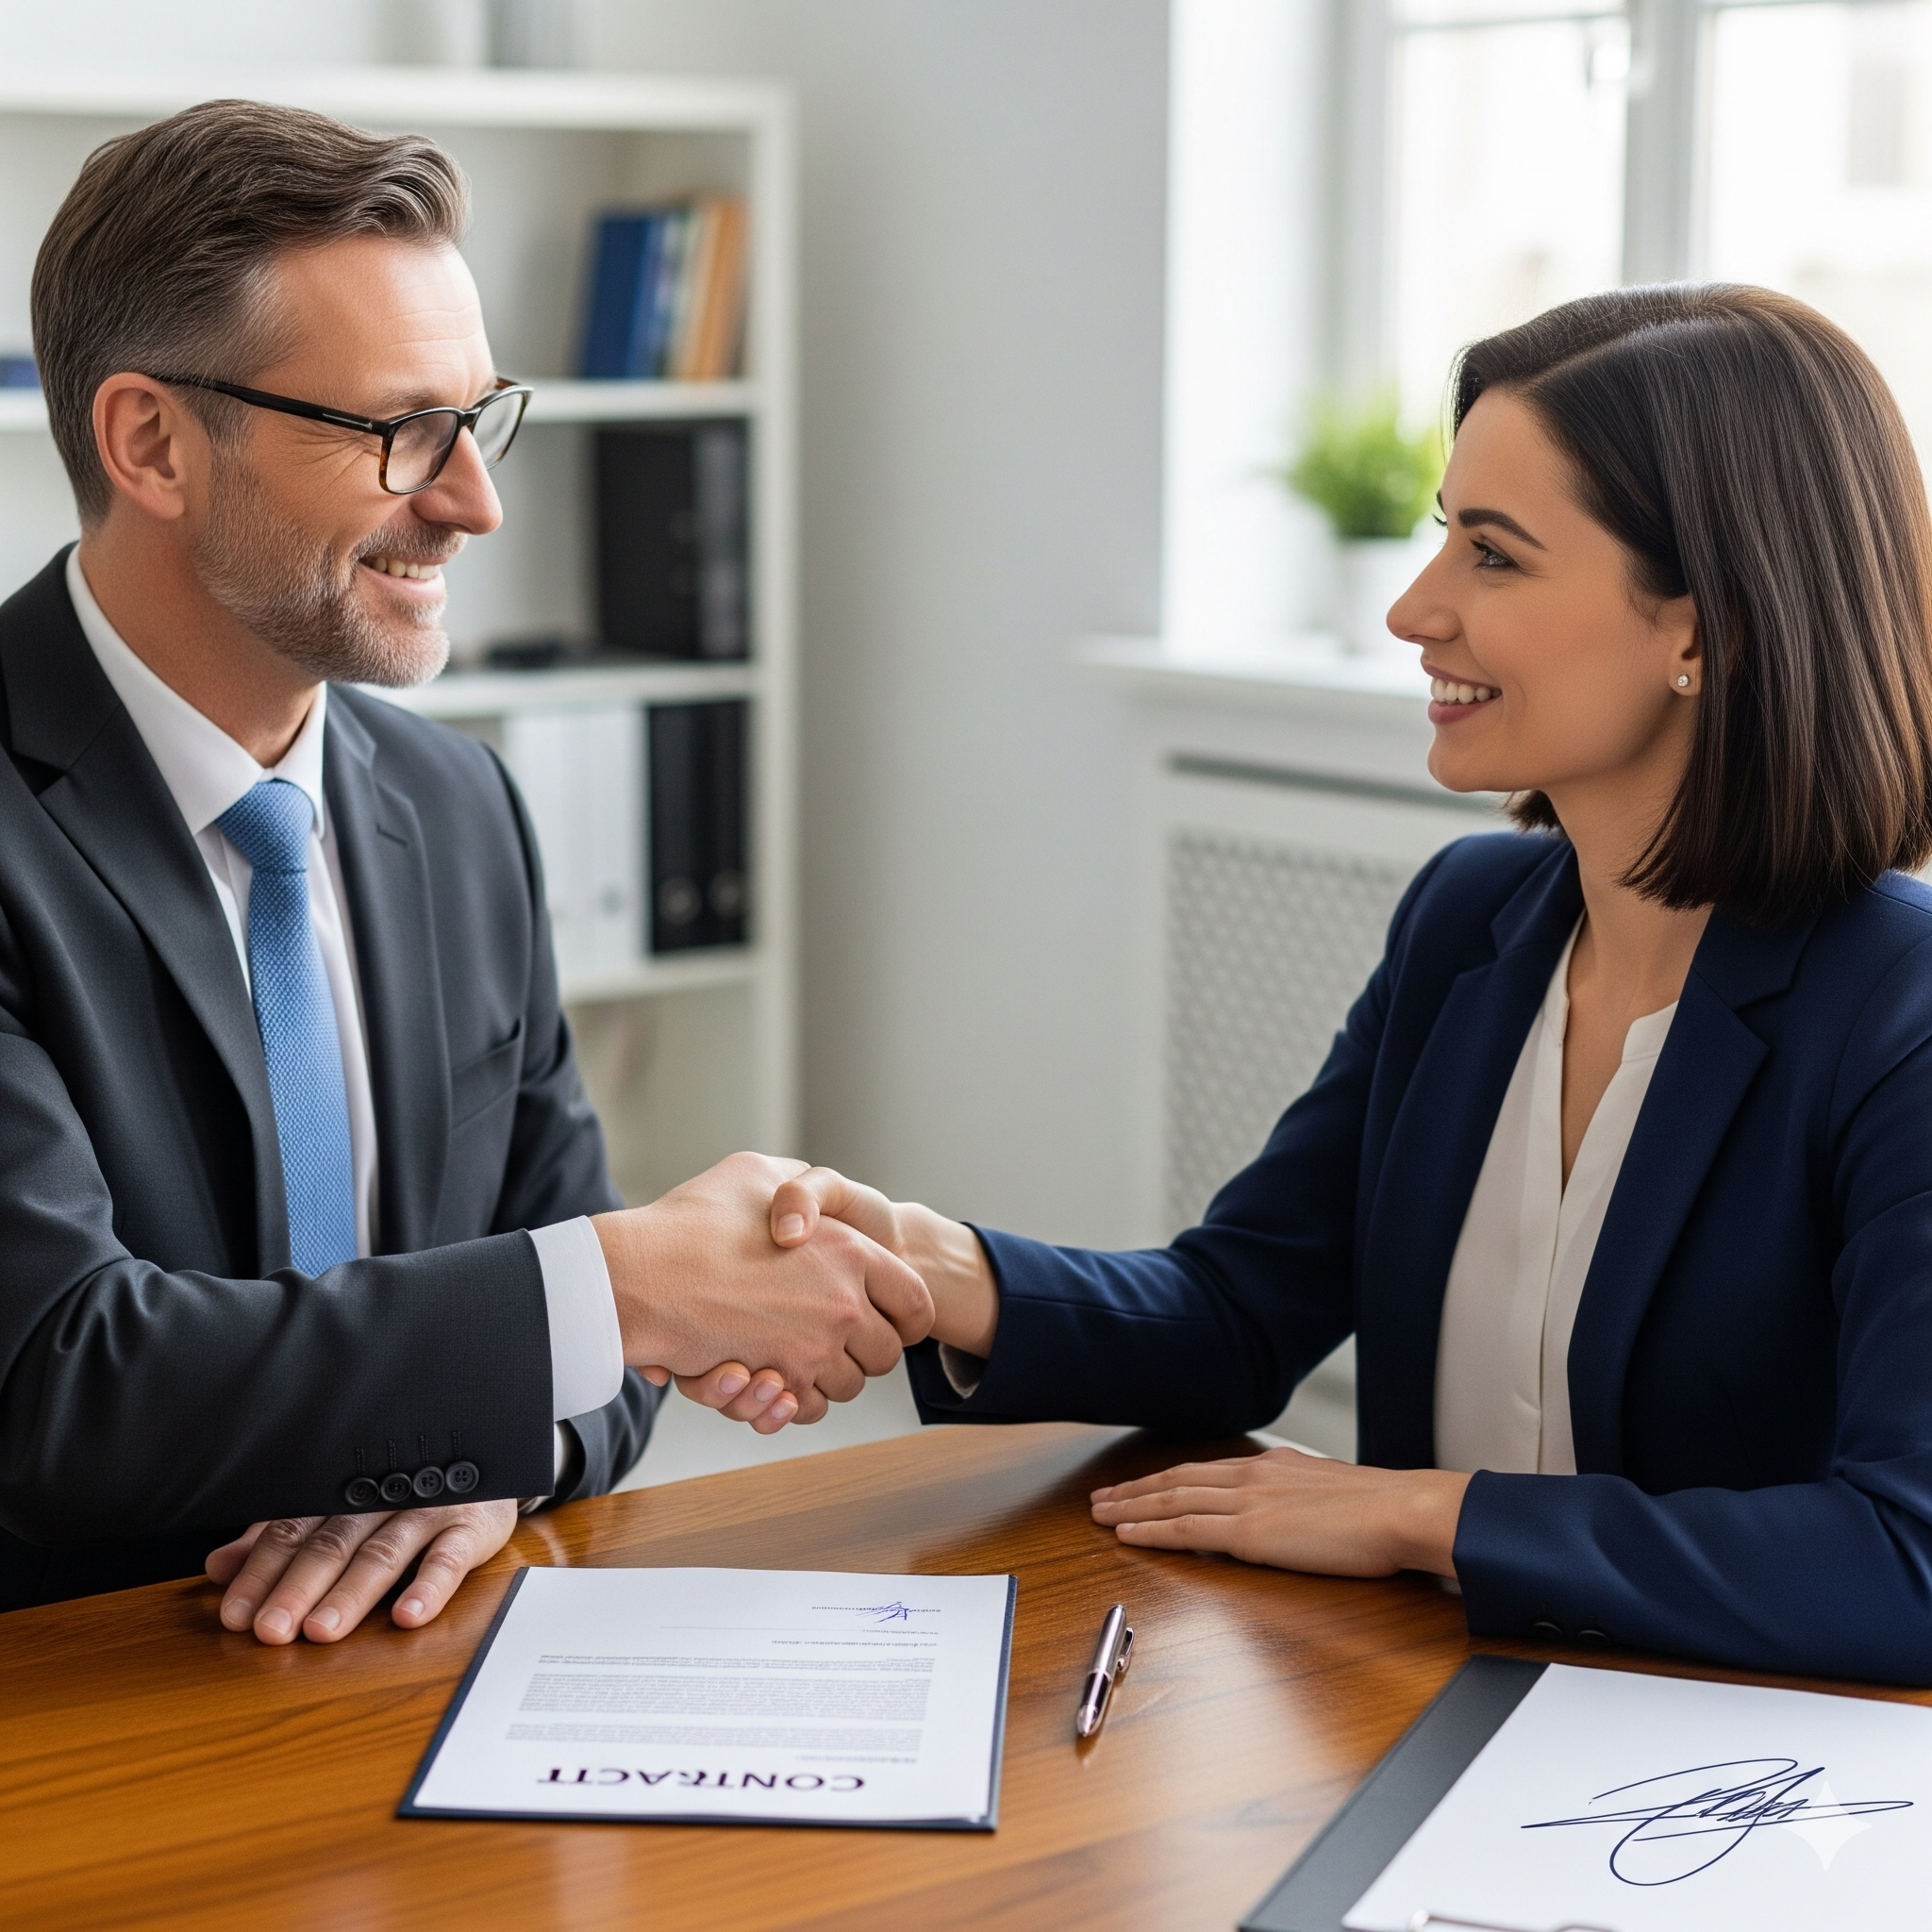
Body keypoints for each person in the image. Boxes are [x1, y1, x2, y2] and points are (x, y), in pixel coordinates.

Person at [743, 285, 1932, 1686]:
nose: (1413, 606)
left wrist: (1421, 1516)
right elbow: (1244, 1314)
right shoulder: (1469, 924)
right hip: (1431, 1713)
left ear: (1701, 629)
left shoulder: (1896, 1016)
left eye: (1493, 555)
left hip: (1730, 1794)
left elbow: (1900, 1558)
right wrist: (949, 1275)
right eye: (1444, 533)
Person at [0, 100, 929, 1637]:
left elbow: (597, 1367)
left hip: (414, 1680)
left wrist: (484, 1456)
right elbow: (53, 1385)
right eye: (396, 432)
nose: (475, 501)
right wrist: (620, 1288)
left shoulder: (457, 806)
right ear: (151, 442)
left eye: (480, 418)